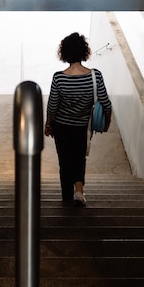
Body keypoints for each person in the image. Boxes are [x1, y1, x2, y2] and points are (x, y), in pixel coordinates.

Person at [44, 32, 112, 207]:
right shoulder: (95, 76)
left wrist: (48, 124)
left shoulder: (59, 78)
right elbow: (105, 103)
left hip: (61, 127)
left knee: (65, 160)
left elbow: (52, 107)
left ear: (64, 53)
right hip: (82, 127)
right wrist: (107, 123)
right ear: (84, 51)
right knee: (79, 158)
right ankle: (79, 192)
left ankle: (67, 197)